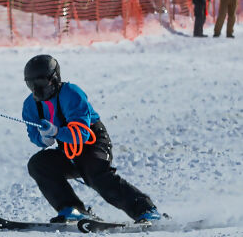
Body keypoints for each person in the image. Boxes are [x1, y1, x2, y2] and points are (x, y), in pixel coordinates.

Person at [22, 55, 161, 223]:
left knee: (95, 174)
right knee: (38, 164)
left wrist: (56, 131)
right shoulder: (30, 105)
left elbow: (82, 133)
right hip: (68, 149)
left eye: (41, 83)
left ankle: (145, 210)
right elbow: (34, 135)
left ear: (54, 79)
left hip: (93, 142)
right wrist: (43, 139)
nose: (37, 90)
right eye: (32, 85)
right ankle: (71, 209)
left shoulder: (71, 93)